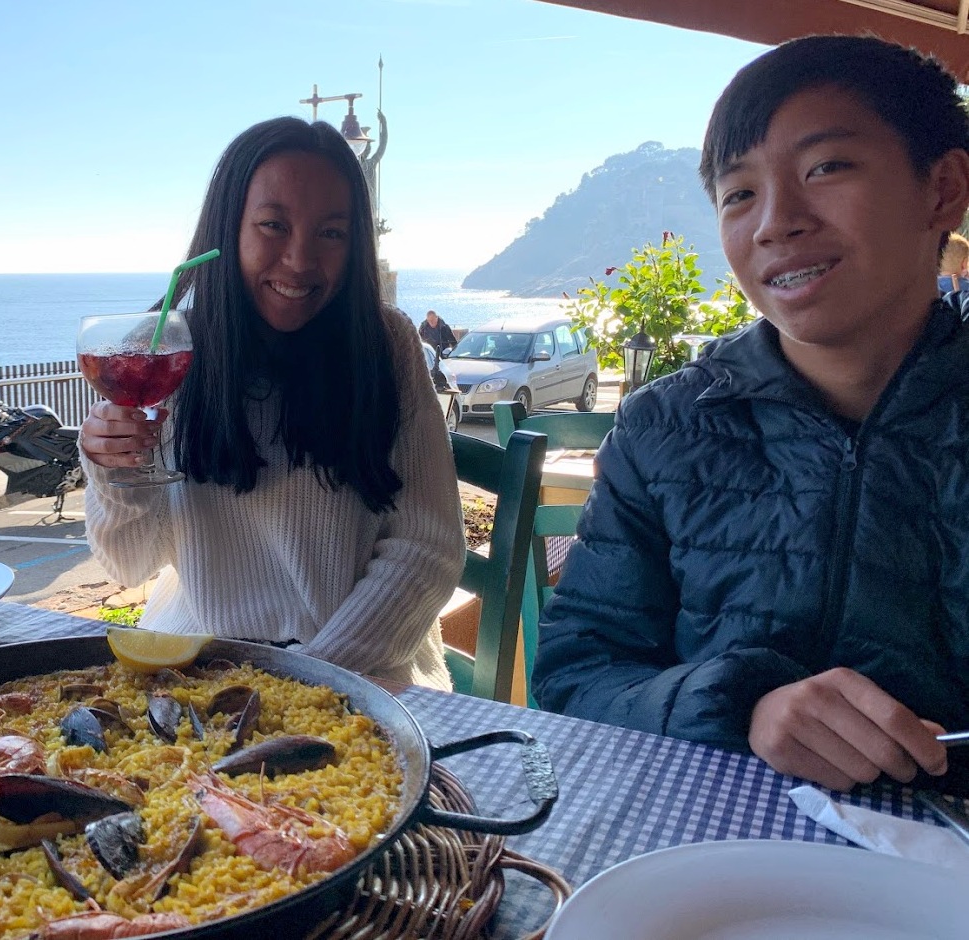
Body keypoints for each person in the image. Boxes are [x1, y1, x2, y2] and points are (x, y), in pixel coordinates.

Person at [533, 35, 969, 796]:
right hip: (709, 857)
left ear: (941, 189)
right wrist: (741, 707)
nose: (775, 222)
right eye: (739, 194)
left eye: (825, 168)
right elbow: (579, 671)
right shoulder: (662, 428)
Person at [78, 116, 463, 690]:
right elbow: (130, 563)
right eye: (273, 225)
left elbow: (426, 548)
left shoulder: (385, 347)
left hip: (362, 664)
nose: (301, 260)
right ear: (227, 228)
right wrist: (112, 471)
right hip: (197, 664)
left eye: (331, 233)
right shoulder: (171, 353)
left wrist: (309, 680)